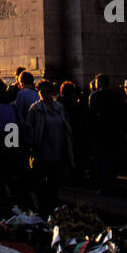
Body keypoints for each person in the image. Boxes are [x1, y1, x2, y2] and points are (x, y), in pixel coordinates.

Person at [27, 80, 74, 216]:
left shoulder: (60, 108)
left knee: (54, 184)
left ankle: (54, 211)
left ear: (51, 92)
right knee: (42, 184)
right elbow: (29, 130)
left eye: (46, 91)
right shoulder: (35, 109)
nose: (44, 94)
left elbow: (67, 129)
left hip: (58, 151)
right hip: (42, 151)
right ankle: (43, 211)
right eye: (41, 91)